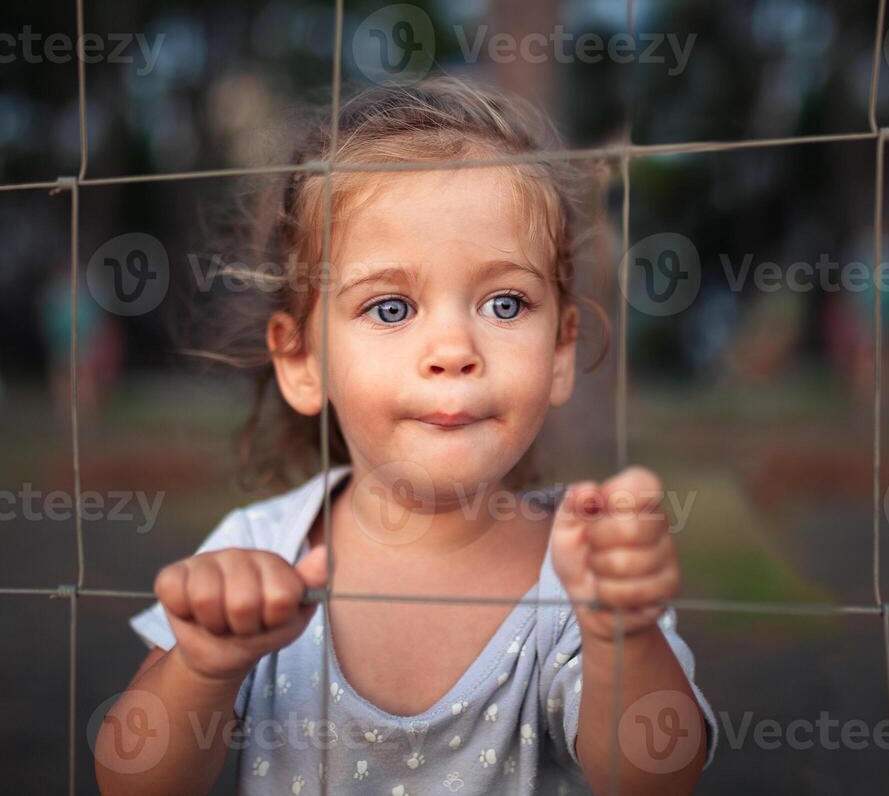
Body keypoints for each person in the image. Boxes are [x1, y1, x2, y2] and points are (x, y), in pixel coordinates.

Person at [95, 78, 717, 795]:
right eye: (390, 307)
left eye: (505, 302)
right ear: (301, 361)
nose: (453, 348)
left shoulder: (586, 561)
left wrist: (621, 636)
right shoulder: (258, 549)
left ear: (560, 350)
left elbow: (656, 780)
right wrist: (203, 666)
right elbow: (129, 782)